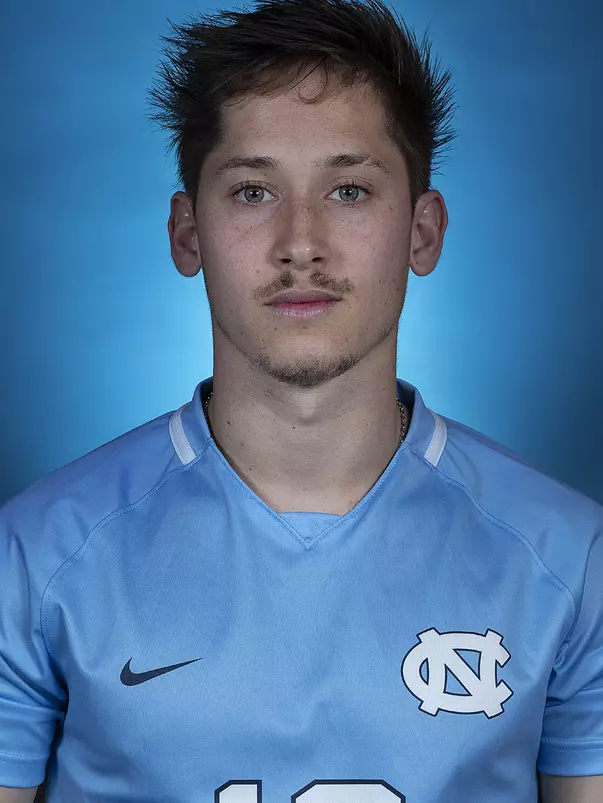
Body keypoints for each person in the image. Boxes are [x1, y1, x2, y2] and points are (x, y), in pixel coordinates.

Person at [1, 0, 602, 800]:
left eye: (349, 191)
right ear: (187, 232)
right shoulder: (38, 556)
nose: (300, 242)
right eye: (252, 191)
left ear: (422, 231)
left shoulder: (567, 558)